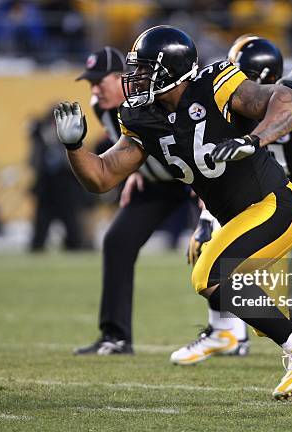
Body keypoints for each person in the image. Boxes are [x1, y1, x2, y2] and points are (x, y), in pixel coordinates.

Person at [55, 25, 292, 408]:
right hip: (237, 216)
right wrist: (74, 147)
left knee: (209, 274)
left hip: (274, 204)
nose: (134, 78)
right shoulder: (142, 116)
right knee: (264, 309)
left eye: (144, 68)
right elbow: (101, 176)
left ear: (171, 70)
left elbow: (289, 101)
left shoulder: (216, 83)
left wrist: (253, 139)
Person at [173, 37, 292, 370]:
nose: (233, 83)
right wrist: (207, 219)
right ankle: (227, 332)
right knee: (255, 293)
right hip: (269, 196)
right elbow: (216, 176)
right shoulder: (226, 105)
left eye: (241, 76)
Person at [73, 46, 200, 355]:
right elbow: (128, 147)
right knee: (117, 241)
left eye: (99, 81)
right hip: (157, 182)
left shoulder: (156, 98)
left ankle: (232, 332)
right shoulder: (102, 109)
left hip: (197, 176)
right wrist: (133, 172)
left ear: (121, 78)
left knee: (210, 245)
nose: (95, 89)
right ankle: (115, 336)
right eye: (90, 83)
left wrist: (207, 184)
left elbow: (186, 136)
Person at [28, 105, 91, 251]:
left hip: (66, 186)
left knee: (71, 224)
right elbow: (34, 161)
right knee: (41, 223)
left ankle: (74, 245)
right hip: (47, 187)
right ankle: (38, 245)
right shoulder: (40, 135)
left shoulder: (71, 132)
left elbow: (77, 158)